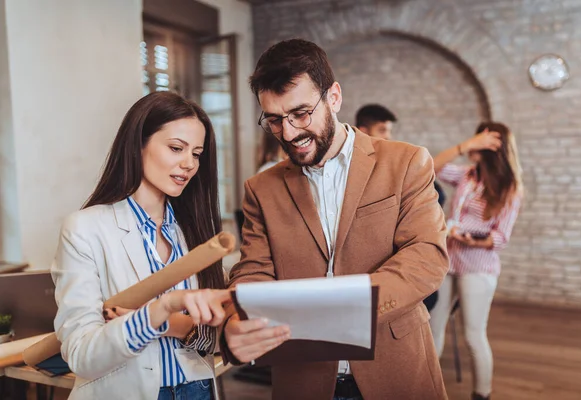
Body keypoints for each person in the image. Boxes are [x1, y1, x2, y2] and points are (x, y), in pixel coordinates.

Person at [220, 39, 449, 400]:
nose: (290, 133)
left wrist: (348, 310)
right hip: (303, 380)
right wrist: (236, 320)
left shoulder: (406, 162)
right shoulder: (260, 189)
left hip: (396, 370)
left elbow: (426, 256)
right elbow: (254, 272)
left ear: (335, 98)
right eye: (275, 120)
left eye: (300, 113)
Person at [52, 92, 231, 400]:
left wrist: (169, 324)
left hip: (196, 389)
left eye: (197, 154)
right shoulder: (84, 228)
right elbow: (80, 353)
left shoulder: (195, 232)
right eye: (176, 148)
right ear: (138, 144)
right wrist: (159, 310)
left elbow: (215, 337)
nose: (189, 164)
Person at [429, 122, 523, 400]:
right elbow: (431, 167)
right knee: (433, 327)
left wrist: (474, 240)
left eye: (482, 140)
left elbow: (501, 238)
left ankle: (482, 395)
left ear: (494, 149)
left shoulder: (510, 188)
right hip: (449, 260)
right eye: (476, 138)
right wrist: (464, 146)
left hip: (478, 267)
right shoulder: (467, 176)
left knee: (473, 336)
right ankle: (427, 388)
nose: (475, 143)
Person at [356, 103, 445, 311]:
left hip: (404, 279)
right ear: (363, 131)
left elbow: (438, 196)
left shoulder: (400, 164)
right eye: (382, 130)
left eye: (389, 131)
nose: (387, 137)